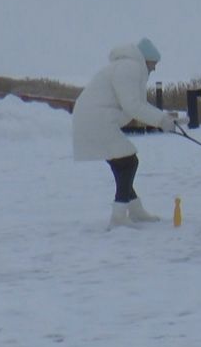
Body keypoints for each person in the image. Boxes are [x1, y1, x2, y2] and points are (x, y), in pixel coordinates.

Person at [72, 38, 181, 228]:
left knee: (122, 163)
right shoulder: (130, 68)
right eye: (154, 64)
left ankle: (135, 210)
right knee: (128, 162)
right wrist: (161, 121)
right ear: (146, 60)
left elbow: (137, 104)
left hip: (96, 118)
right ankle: (119, 215)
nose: (154, 69)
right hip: (97, 119)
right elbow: (133, 106)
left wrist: (165, 118)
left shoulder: (127, 67)